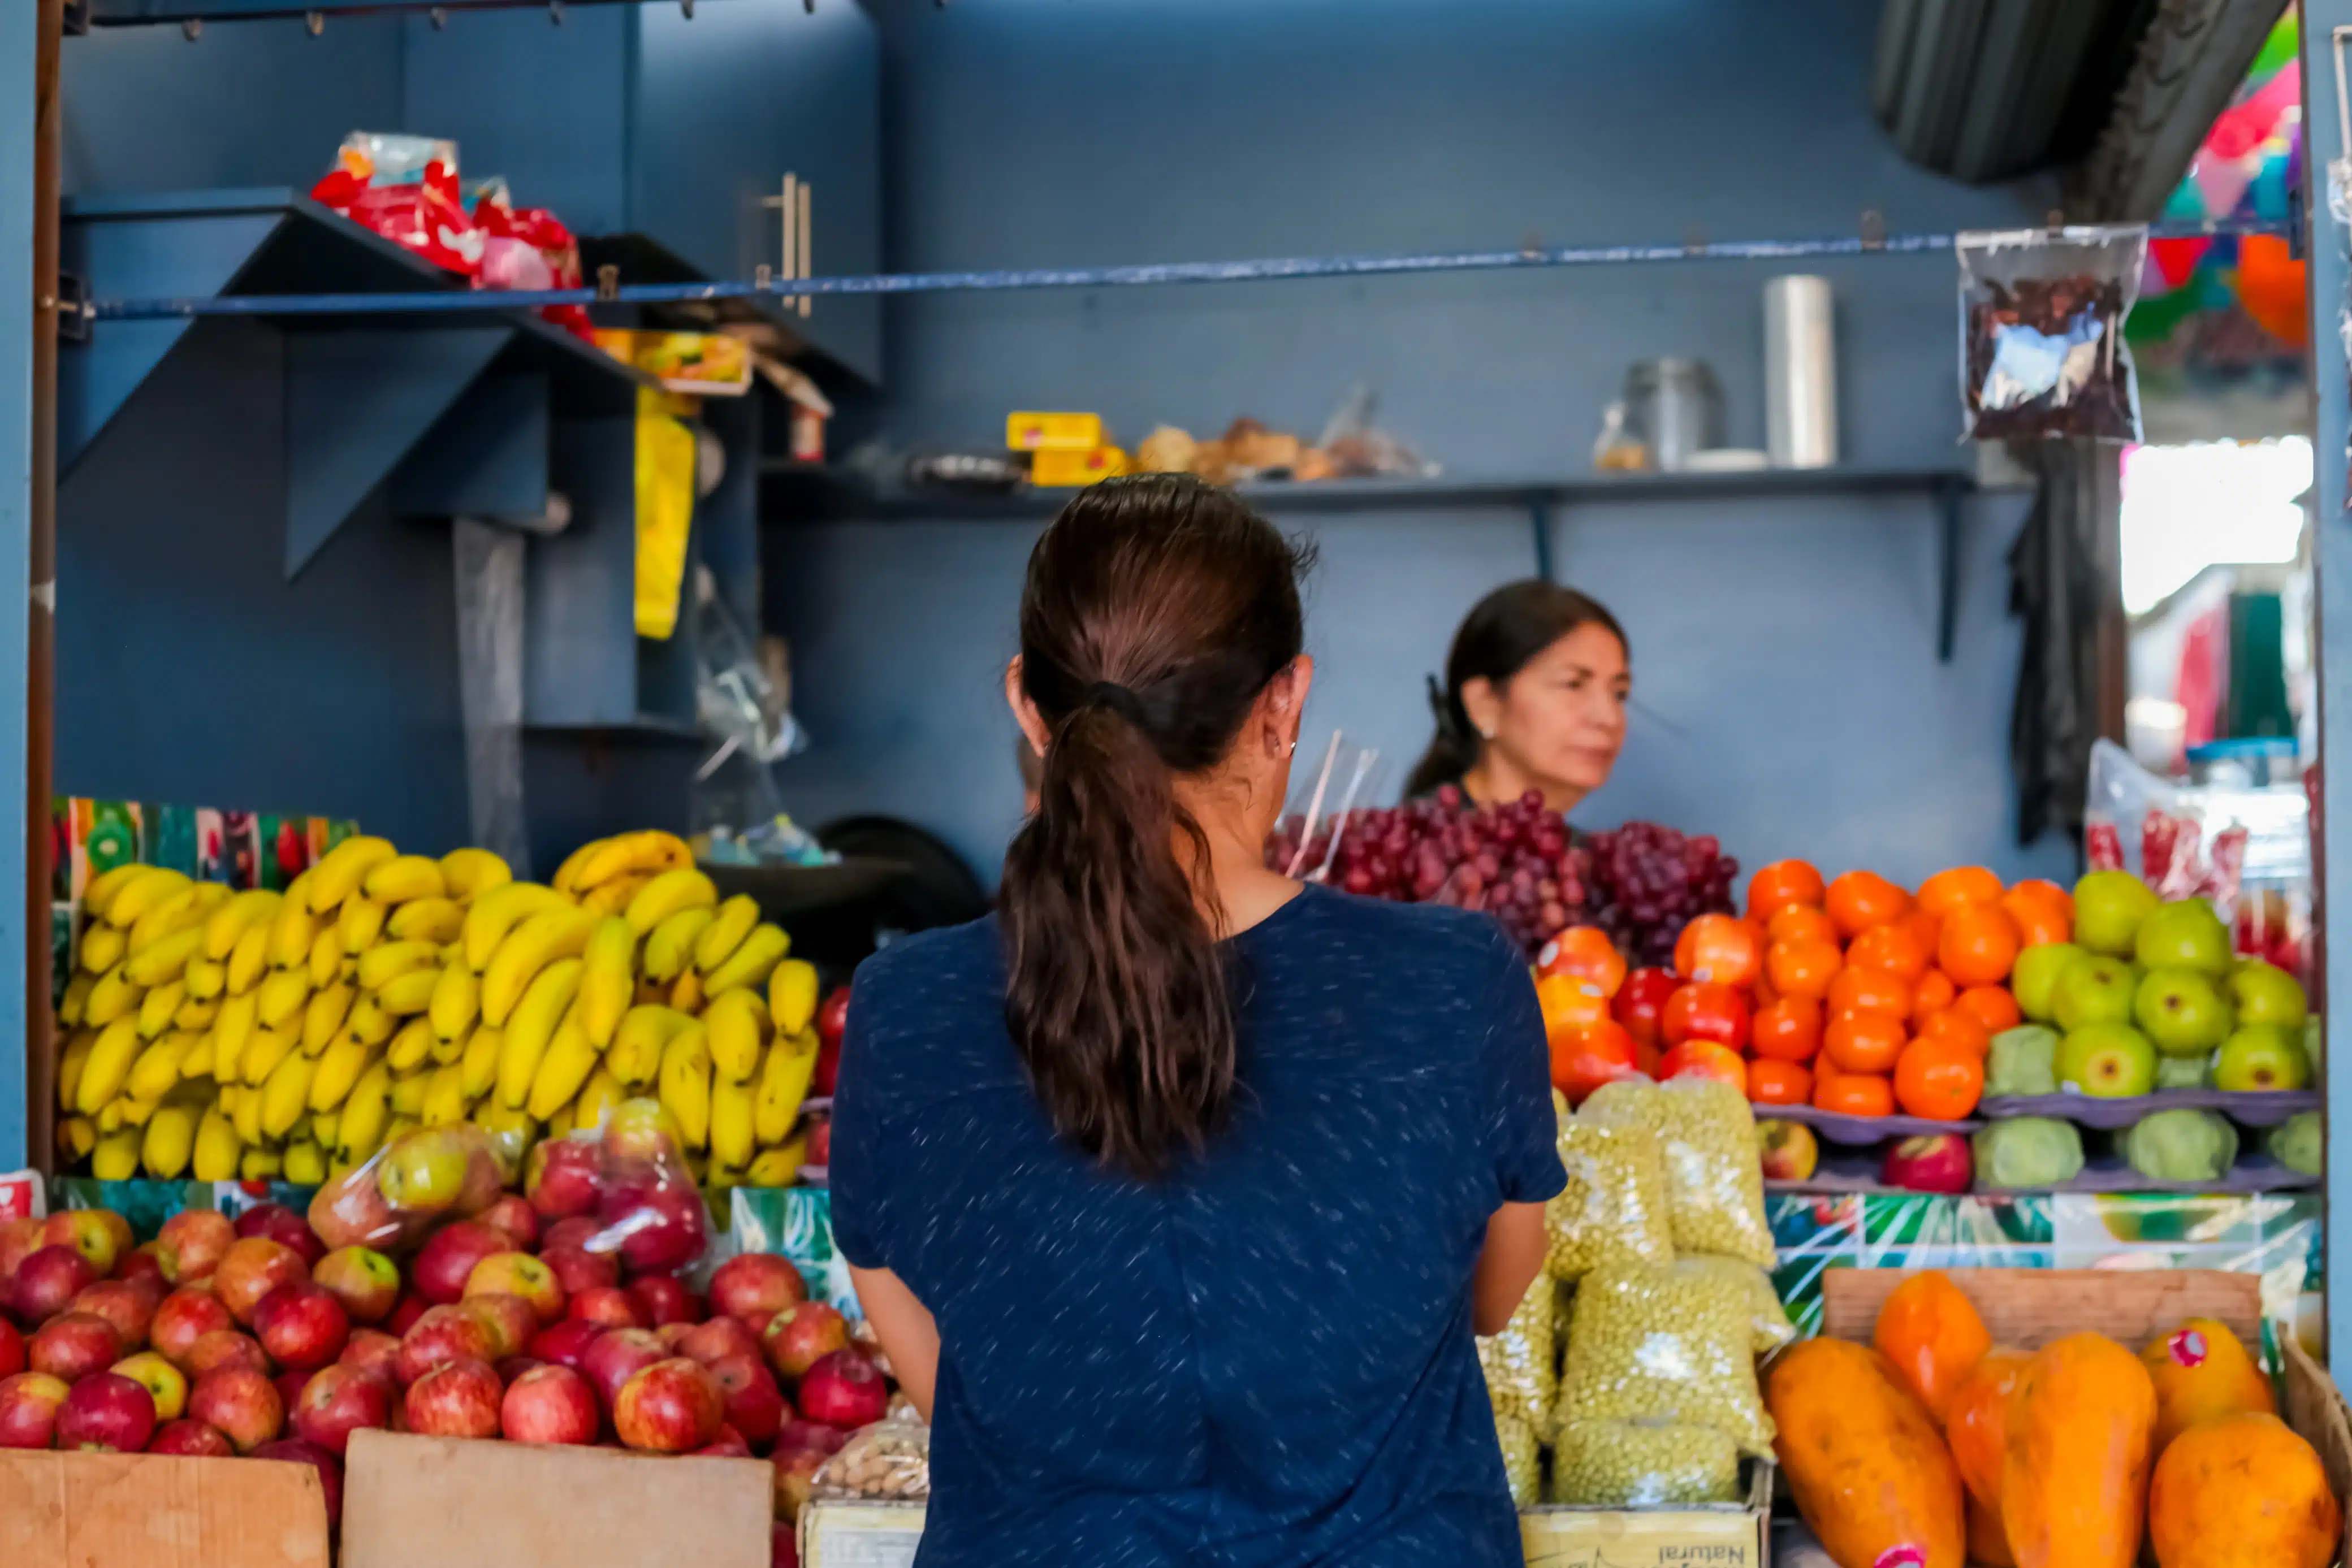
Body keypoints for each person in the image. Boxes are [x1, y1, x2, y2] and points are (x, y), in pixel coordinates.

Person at [831, 474, 1563, 1568]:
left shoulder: (905, 1010)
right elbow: (1493, 1296)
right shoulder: (1453, 982)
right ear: (1284, 704)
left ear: (1028, 704)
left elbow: (927, 1346)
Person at [1404, 580, 1631, 815]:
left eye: (1620, 694)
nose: (1609, 718)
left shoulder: (1587, 849)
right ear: (1484, 704)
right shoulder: (1420, 845)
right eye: (1572, 685)